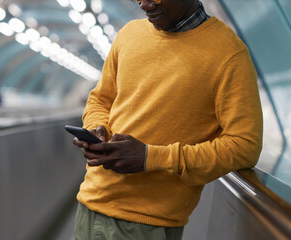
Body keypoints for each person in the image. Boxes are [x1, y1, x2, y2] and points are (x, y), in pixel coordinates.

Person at [72, 0, 263, 239]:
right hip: (89, 204)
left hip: (148, 224)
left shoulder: (229, 55)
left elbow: (245, 146)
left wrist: (152, 158)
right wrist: (96, 130)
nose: (144, 4)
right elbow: (100, 100)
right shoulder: (128, 35)